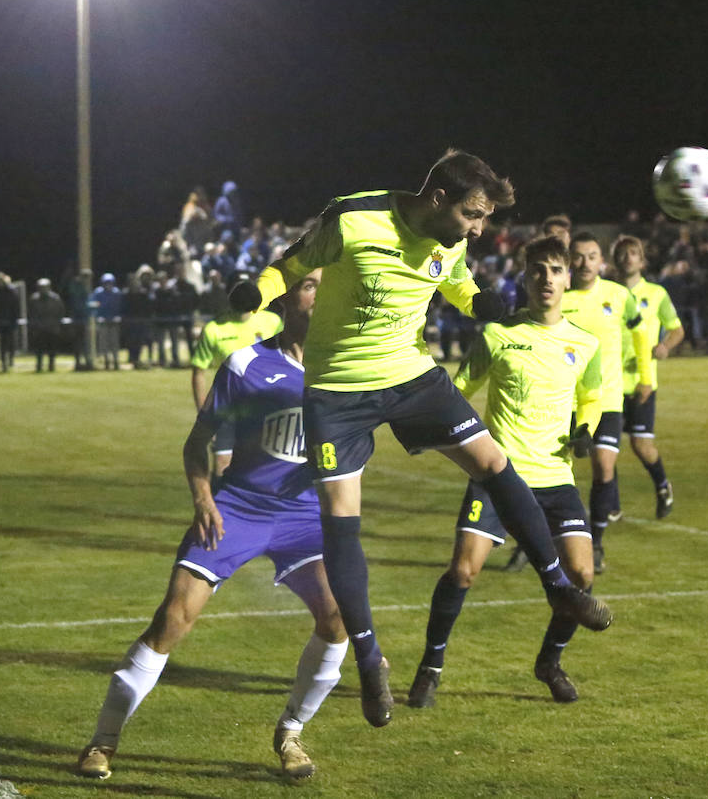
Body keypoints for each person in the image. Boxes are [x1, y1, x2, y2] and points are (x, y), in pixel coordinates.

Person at [247, 148, 613, 728]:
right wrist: (256, 291)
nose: (479, 228)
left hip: (413, 377)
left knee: (493, 461)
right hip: (339, 392)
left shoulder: (454, 239)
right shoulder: (353, 217)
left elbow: (460, 284)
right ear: (438, 198)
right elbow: (292, 264)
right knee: (342, 519)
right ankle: (369, 658)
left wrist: (484, 305)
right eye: (473, 214)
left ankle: (557, 585)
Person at [76, 272, 346, 782]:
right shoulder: (247, 364)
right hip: (238, 507)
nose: (323, 295)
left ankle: (291, 732)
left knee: (337, 619)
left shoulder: (348, 368)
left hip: (304, 515)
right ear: (285, 299)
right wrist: (203, 495)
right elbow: (197, 441)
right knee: (172, 619)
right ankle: (102, 742)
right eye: (311, 286)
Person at [407, 235, 603, 708]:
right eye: (538, 270)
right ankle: (430, 668)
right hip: (500, 477)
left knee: (582, 575)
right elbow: (460, 389)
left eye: (556, 270)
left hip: (556, 479)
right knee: (463, 570)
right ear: (525, 276)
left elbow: (591, 398)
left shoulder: (585, 343)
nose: (547, 279)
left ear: (568, 277)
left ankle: (549, 662)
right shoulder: (497, 335)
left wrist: (585, 429)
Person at [518, 231, 651, 575]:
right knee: (549, 474)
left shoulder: (619, 295)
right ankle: (532, 541)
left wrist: (647, 376)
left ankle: (597, 541)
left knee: (604, 468)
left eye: (592, 256)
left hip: (605, 399)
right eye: (578, 257)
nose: (585, 263)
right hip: (560, 401)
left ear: (601, 260)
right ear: (568, 262)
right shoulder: (560, 297)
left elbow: (640, 333)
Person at [611, 235, 684, 522]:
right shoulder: (606, 293)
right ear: (615, 259)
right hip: (610, 383)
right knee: (605, 449)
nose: (628, 257)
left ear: (642, 260)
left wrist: (665, 345)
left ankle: (663, 485)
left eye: (634, 253)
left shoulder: (656, 294)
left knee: (641, 445)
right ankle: (611, 505)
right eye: (623, 253)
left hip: (642, 381)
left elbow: (676, 329)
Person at [188, 279, 284, 476]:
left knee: (268, 468)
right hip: (227, 408)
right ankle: (218, 505)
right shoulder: (214, 329)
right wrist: (204, 416)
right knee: (223, 467)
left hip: (267, 406)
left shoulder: (272, 322)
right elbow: (198, 372)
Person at [28, 277, 66, 372]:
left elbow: (61, 312)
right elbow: (31, 313)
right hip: (39, 327)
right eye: (41, 287)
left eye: (44, 287)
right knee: (39, 349)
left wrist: (57, 324)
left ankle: (51, 366)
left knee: (52, 349)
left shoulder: (55, 298)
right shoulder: (34, 299)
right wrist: (34, 325)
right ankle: (39, 366)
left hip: (52, 327)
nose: (43, 289)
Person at [0, 273, 22, 372]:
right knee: (3, 342)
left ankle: (11, 359)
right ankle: (3, 361)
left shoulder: (11, 292)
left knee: (11, 342)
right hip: (0, 321)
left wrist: (15, 318)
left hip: (11, 321)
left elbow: (16, 307)